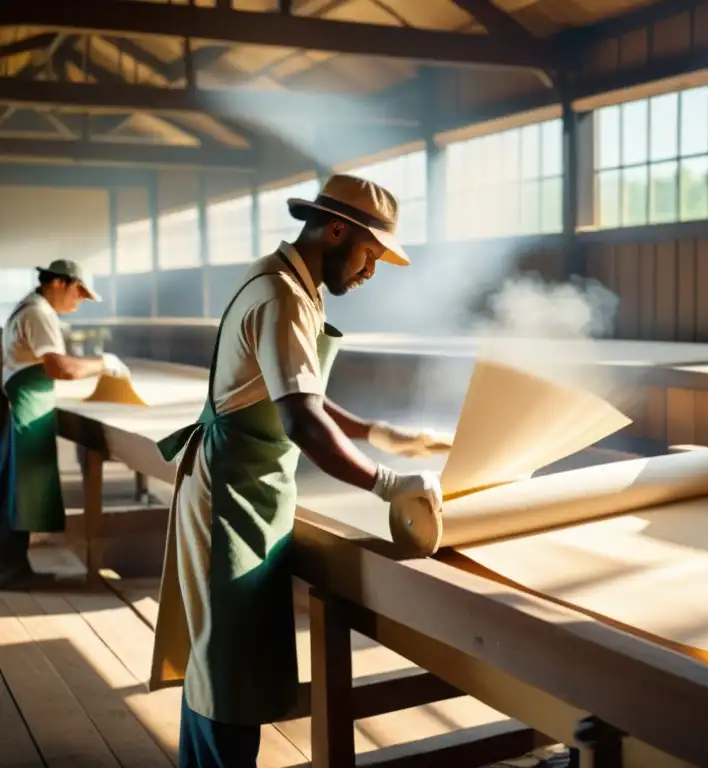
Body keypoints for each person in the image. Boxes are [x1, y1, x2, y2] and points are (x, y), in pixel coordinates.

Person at [150, 174, 452, 767]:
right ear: (336, 230)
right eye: (370, 254)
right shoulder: (281, 295)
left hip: (248, 491)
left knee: (222, 664)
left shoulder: (292, 283)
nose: (370, 272)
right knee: (228, 675)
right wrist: (387, 483)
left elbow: (297, 388)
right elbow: (302, 422)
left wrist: (374, 432)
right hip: (229, 497)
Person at [0, 260, 130, 588]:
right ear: (59, 283)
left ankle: (12, 567)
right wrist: (104, 363)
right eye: (79, 292)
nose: (80, 301)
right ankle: (10, 571)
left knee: (15, 491)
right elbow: (61, 368)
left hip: (23, 405)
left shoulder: (27, 306)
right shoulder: (39, 312)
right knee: (19, 491)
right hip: (26, 411)